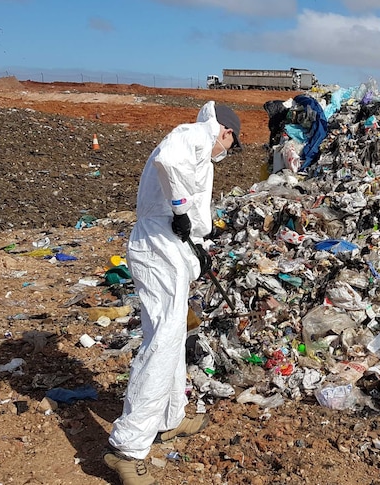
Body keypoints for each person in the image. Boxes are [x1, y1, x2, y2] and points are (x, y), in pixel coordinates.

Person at [103, 101, 241, 485]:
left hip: (170, 246)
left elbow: (190, 211)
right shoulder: (194, 134)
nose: (225, 153)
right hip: (157, 247)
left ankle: (171, 417)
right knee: (163, 340)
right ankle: (127, 449)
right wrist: (181, 211)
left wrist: (199, 242)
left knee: (174, 331)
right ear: (225, 132)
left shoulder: (201, 150)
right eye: (229, 145)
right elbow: (167, 162)